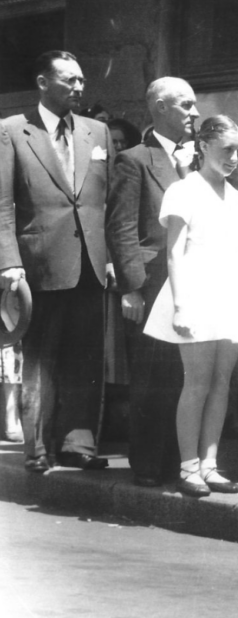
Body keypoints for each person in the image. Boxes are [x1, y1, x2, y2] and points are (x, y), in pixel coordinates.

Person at [0, 51, 114, 472]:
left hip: (90, 263)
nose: (79, 87)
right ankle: (39, 449)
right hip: (39, 265)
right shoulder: (13, 131)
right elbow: (2, 204)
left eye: (82, 80)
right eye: (69, 80)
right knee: (42, 358)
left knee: (85, 358)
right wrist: (9, 262)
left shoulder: (97, 132)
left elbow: (109, 202)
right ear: (43, 83)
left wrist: (111, 258)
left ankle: (77, 443)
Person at [143, 115, 238, 497]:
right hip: (195, 292)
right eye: (226, 149)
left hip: (230, 295)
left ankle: (210, 464)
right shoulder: (184, 191)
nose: (233, 158)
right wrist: (180, 306)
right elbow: (175, 254)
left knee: (221, 383)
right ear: (203, 147)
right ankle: (188, 466)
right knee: (196, 383)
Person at [106, 76, 199, 487]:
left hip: (194, 283)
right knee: (150, 377)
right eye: (185, 105)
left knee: (186, 376)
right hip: (152, 283)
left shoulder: (200, 162)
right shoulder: (135, 159)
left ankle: (183, 461)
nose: (194, 113)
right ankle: (147, 465)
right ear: (160, 107)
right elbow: (122, 227)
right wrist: (130, 287)